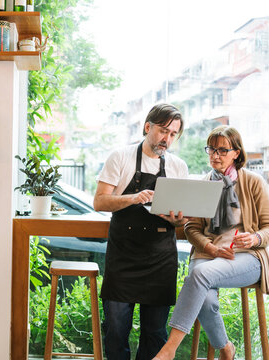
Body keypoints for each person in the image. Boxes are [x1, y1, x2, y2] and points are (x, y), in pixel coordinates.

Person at [153, 126, 269, 360]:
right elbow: (192, 228)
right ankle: (226, 348)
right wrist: (210, 247)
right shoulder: (203, 184)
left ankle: (168, 350)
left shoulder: (253, 182)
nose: (215, 155)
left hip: (246, 257)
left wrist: (255, 238)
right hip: (207, 255)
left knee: (199, 275)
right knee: (206, 299)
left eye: (222, 150)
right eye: (211, 149)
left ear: (236, 153)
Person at [93, 103, 189, 360]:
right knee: (115, 331)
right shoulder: (121, 157)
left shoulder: (178, 166)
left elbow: (181, 221)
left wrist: (178, 220)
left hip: (160, 259)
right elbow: (100, 201)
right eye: (162, 131)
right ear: (148, 127)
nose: (166, 139)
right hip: (123, 257)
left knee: (155, 333)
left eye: (172, 134)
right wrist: (133, 198)